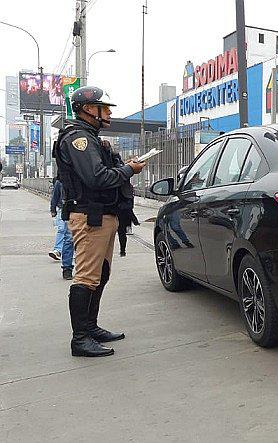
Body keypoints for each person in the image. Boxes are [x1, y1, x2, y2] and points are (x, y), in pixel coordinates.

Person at [53, 86, 146, 358]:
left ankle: (90, 328)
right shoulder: (79, 138)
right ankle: (80, 339)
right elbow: (96, 178)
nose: (107, 113)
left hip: (103, 216)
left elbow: (101, 172)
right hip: (90, 217)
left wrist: (123, 165)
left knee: (100, 275)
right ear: (87, 109)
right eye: (103, 108)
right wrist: (129, 169)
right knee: (86, 278)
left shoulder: (91, 138)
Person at [49, 178, 75, 280]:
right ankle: (67, 268)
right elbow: (55, 196)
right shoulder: (62, 178)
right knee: (67, 237)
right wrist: (53, 209)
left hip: (85, 208)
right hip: (68, 209)